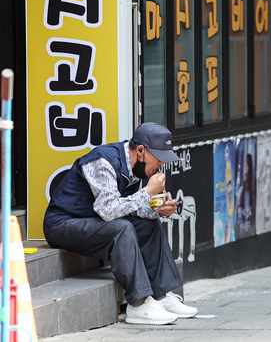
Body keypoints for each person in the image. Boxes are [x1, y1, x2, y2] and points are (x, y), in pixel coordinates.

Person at [43, 123, 198, 325]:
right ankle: (139, 304)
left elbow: (129, 208)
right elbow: (108, 211)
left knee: (148, 223)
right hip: (63, 224)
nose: (161, 163)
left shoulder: (138, 168)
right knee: (122, 229)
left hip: (93, 221)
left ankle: (161, 295)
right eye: (158, 157)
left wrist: (158, 209)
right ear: (141, 150)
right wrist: (148, 192)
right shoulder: (103, 161)